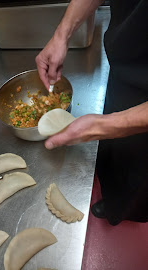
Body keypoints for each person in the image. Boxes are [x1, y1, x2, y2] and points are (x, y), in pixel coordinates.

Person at [35, 0, 148, 225]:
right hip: (125, 68)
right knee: (113, 158)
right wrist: (61, 36)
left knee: (139, 178)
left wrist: (100, 126)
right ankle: (113, 198)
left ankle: (124, 212)